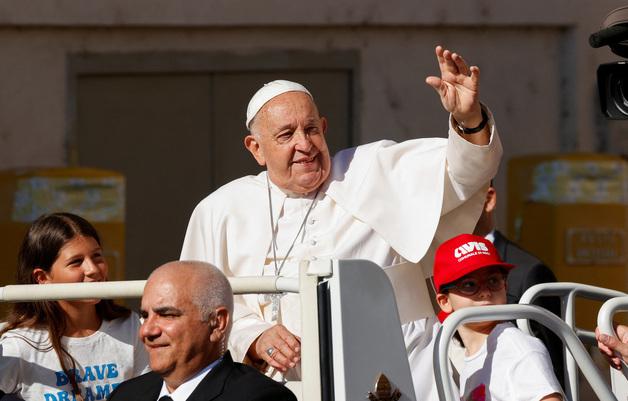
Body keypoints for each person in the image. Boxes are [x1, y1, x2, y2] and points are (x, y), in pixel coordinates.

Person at [181, 45, 503, 398]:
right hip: (279, 385)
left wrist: (468, 120)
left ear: (324, 127)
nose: (304, 144)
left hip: (394, 370)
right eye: (286, 135)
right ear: (255, 148)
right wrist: (252, 337)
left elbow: (465, 174)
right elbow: (198, 306)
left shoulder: (373, 169)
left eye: (310, 129)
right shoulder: (221, 210)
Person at [0, 212, 149, 401]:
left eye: (97, 256)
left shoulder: (130, 326)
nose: (93, 269)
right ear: (42, 278)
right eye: (76, 262)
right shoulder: (20, 344)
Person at [108, 261, 297, 401]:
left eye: (166, 315)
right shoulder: (125, 395)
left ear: (217, 323)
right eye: (145, 316)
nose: (147, 331)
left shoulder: (260, 398)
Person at [434, 233, 564, 401]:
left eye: (493, 281)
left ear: (505, 286)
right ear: (444, 301)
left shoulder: (515, 345)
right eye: (469, 285)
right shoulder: (474, 357)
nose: (486, 292)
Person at [473, 183, 564, 385]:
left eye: (459, 197)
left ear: (488, 200)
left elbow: (553, 370)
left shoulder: (528, 273)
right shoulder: (430, 267)